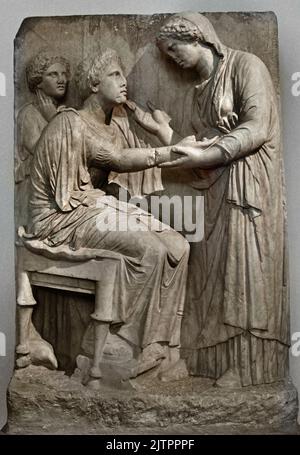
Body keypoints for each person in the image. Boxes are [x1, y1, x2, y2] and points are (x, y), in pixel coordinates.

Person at [130, 12, 289, 387]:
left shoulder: (246, 66)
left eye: (175, 49)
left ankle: (245, 365)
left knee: (242, 270)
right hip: (213, 190)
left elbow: (258, 125)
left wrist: (210, 154)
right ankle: (204, 361)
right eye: (167, 57)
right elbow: (195, 144)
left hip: (249, 188)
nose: (174, 59)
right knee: (208, 273)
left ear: (199, 37)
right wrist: (163, 132)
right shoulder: (198, 89)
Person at [20, 49, 191, 381]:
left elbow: (123, 163)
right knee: (149, 249)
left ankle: (159, 344)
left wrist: (164, 136)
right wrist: (168, 151)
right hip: (59, 215)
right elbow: (119, 159)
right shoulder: (71, 122)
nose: (124, 82)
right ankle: (121, 339)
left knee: (178, 246)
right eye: (115, 74)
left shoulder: (115, 126)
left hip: (92, 205)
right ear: (94, 83)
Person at [15, 51, 70, 227]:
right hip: (35, 195)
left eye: (63, 74)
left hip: (58, 191)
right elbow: (43, 154)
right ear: (38, 82)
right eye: (53, 74)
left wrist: (55, 117)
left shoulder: (61, 113)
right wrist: (53, 120)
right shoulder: (28, 114)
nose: (61, 79)